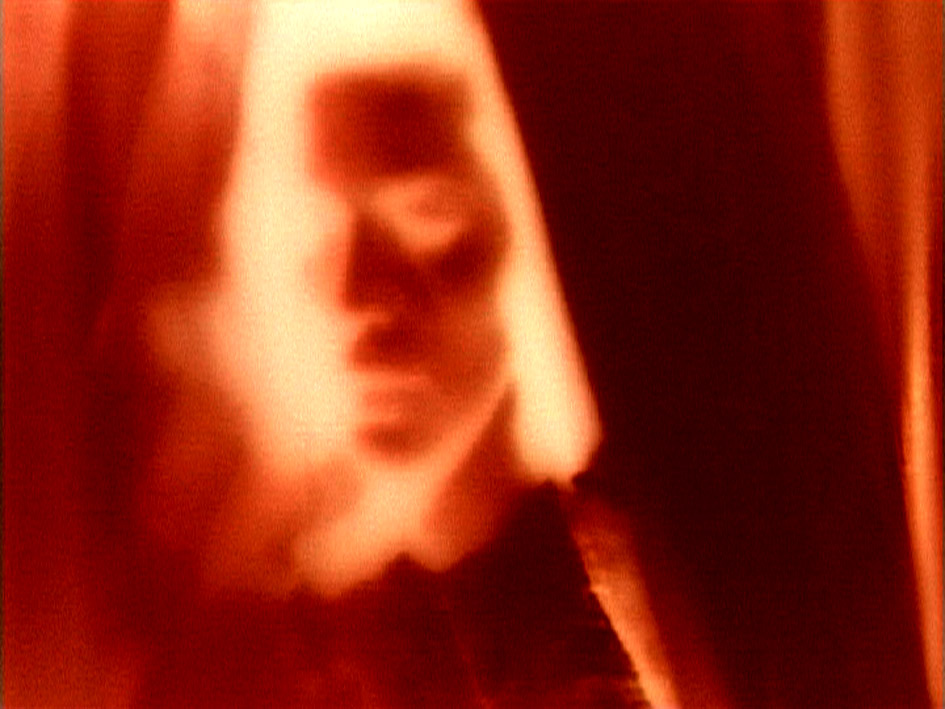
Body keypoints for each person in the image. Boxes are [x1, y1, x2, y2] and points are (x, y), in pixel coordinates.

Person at [88, 2, 650, 706]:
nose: (360, 294)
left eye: (427, 217)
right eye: (319, 232)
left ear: (532, 240)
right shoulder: (256, 643)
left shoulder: (651, 606)